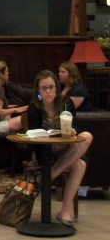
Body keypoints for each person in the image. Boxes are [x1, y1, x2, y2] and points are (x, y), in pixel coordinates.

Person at [28, 70, 93, 227]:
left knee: (87, 136)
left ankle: (52, 175)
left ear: (57, 88)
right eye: (44, 88)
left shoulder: (66, 103)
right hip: (44, 153)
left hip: (66, 151)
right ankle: (65, 211)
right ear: (38, 90)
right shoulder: (34, 107)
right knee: (80, 165)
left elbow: (75, 125)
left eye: (51, 87)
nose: (48, 91)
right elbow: (32, 137)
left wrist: (73, 131)